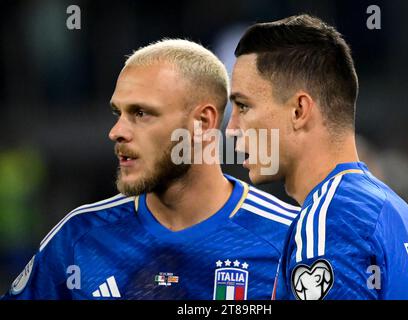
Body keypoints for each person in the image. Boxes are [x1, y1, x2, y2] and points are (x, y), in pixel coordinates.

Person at [2, 39, 299, 300]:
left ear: (204, 122)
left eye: (141, 113)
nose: (116, 131)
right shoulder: (78, 239)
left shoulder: (290, 242)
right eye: (118, 113)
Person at [226, 14, 408, 299]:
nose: (231, 129)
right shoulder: (396, 211)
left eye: (243, 106)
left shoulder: (328, 220)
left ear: (299, 110)